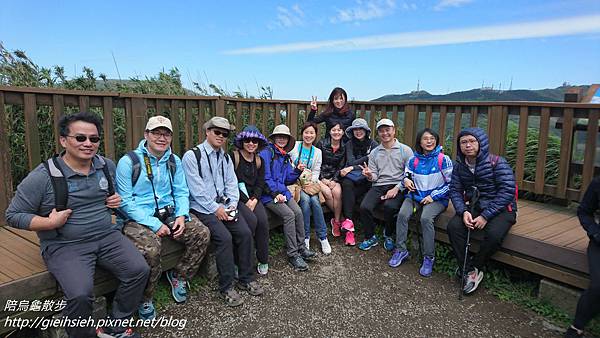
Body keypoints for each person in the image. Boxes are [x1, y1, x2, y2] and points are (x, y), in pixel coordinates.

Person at [5, 112, 149, 338]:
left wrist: (114, 201)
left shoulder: (105, 166)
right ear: (64, 140)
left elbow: (110, 199)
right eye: (80, 138)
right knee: (81, 294)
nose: (88, 144)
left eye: (94, 139)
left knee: (139, 270)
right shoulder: (43, 176)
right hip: (65, 244)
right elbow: (13, 215)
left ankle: (116, 325)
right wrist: (48, 222)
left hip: (106, 236)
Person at [116, 116, 210, 319]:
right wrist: (153, 224)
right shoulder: (128, 162)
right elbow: (124, 202)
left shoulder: (174, 161)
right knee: (151, 249)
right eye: (156, 133)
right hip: (138, 217)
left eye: (166, 133)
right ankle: (146, 298)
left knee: (202, 233)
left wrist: (182, 216)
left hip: (169, 212)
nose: (161, 138)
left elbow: (181, 192)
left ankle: (179, 276)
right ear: (146, 135)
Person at [182, 116, 264, 307]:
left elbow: (231, 184)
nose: (221, 136)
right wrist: (215, 208)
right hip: (202, 208)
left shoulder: (225, 157)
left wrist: (233, 205)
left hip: (225, 205)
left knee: (244, 232)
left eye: (225, 133)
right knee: (224, 238)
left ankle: (245, 277)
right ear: (207, 131)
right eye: (217, 132)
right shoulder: (192, 156)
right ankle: (226, 286)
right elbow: (197, 191)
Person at [446, 127, 517, 295]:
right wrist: (463, 211)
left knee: (493, 234)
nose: (468, 145)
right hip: (474, 205)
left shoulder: (497, 162)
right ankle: (468, 269)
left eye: (472, 141)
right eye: (463, 142)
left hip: (502, 207)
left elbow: (507, 191)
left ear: (481, 143)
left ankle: (476, 266)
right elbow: (455, 190)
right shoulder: (459, 166)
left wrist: (486, 216)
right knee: (453, 227)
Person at [388, 128, 453, 277]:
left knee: (425, 218)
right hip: (415, 196)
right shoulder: (413, 159)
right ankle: (401, 250)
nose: (429, 141)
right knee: (402, 215)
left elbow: (451, 184)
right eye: (425, 139)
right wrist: (406, 180)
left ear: (436, 140)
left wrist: (433, 196)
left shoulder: (443, 159)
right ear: (420, 142)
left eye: (432, 138)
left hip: (436, 199)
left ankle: (429, 256)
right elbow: (406, 176)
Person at [260, 124, 317, 271]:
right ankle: (293, 254)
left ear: (287, 139)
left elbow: (286, 179)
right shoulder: (267, 153)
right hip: (268, 195)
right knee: (289, 215)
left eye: (284, 137)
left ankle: (301, 248)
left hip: (282, 193)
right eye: (278, 136)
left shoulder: (284, 156)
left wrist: (297, 171)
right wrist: (275, 194)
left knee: (298, 212)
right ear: (273, 138)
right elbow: (265, 178)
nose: (281, 139)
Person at [358, 118, 413, 252]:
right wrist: (370, 176)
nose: (385, 133)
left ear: (394, 131)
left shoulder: (405, 150)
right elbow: (375, 176)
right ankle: (370, 236)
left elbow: (410, 174)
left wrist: (397, 188)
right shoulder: (375, 153)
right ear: (378, 134)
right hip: (379, 184)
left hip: (399, 185)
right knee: (365, 207)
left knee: (390, 207)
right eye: (381, 131)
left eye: (387, 130)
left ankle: (388, 234)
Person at [230, 125, 271, 275]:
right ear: (242, 141)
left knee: (262, 222)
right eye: (248, 140)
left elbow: (260, 183)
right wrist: (246, 200)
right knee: (246, 224)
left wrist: (254, 199)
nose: (251, 144)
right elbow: (232, 182)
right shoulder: (233, 157)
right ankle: (238, 261)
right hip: (238, 199)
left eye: (254, 141)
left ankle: (263, 258)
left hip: (254, 198)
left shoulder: (259, 160)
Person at [564, 177, 600, 337]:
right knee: (598, 286)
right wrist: (594, 232)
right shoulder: (598, 183)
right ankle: (577, 326)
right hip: (599, 243)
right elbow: (584, 211)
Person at [289, 122, 332, 255]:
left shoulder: (317, 152)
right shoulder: (295, 146)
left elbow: (316, 171)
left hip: (310, 184)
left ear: (315, 135)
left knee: (314, 201)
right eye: (306, 132)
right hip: (295, 183)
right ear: (302, 133)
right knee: (306, 201)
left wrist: (309, 182)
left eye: (311, 133)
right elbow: (289, 165)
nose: (309, 135)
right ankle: (306, 237)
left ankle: (322, 237)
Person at [338, 118, 379, 246]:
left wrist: (352, 167)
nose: (358, 132)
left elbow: (371, 165)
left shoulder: (373, 145)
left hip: (367, 179)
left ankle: (349, 226)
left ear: (366, 131)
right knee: (346, 184)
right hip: (353, 179)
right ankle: (349, 224)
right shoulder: (349, 144)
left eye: (361, 129)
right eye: (355, 129)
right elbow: (350, 161)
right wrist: (364, 159)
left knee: (348, 193)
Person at [316, 122, 346, 240]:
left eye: (339, 130)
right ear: (329, 131)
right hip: (320, 176)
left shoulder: (344, 146)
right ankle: (342, 218)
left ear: (343, 132)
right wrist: (322, 178)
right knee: (328, 193)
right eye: (334, 130)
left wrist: (335, 179)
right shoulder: (322, 144)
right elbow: (316, 162)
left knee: (337, 192)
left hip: (334, 177)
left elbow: (342, 166)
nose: (336, 132)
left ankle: (336, 222)